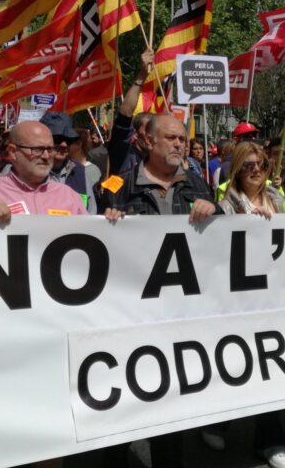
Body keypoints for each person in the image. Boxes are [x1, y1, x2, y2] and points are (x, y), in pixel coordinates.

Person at [99, 114, 219, 468]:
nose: (180, 144)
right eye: (171, 138)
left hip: (181, 315)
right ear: (148, 142)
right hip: (131, 315)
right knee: (124, 405)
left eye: (182, 139)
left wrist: (217, 210)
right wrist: (105, 223)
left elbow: (224, 247)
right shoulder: (117, 187)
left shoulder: (198, 185)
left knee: (170, 406)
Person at [199, 141, 285, 468]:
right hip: (234, 300)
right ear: (236, 169)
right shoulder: (224, 204)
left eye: (261, 165)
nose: (255, 171)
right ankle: (216, 422)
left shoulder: (278, 199)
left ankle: (271, 441)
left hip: (271, 298)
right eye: (248, 165)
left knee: (270, 368)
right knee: (235, 366)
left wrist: (276, 220)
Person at [0, 121, 86, 221]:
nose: (46, 156)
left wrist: (105, 223)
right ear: (13, 152)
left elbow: (91, 238)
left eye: (50, 149)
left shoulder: (70, 197)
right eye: (37, 149)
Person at [39, 112, 97, 214]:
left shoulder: (80, 171)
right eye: (57, 139)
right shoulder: (30, 172)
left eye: (68, 140)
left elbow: (91, 212)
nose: (64, 144)